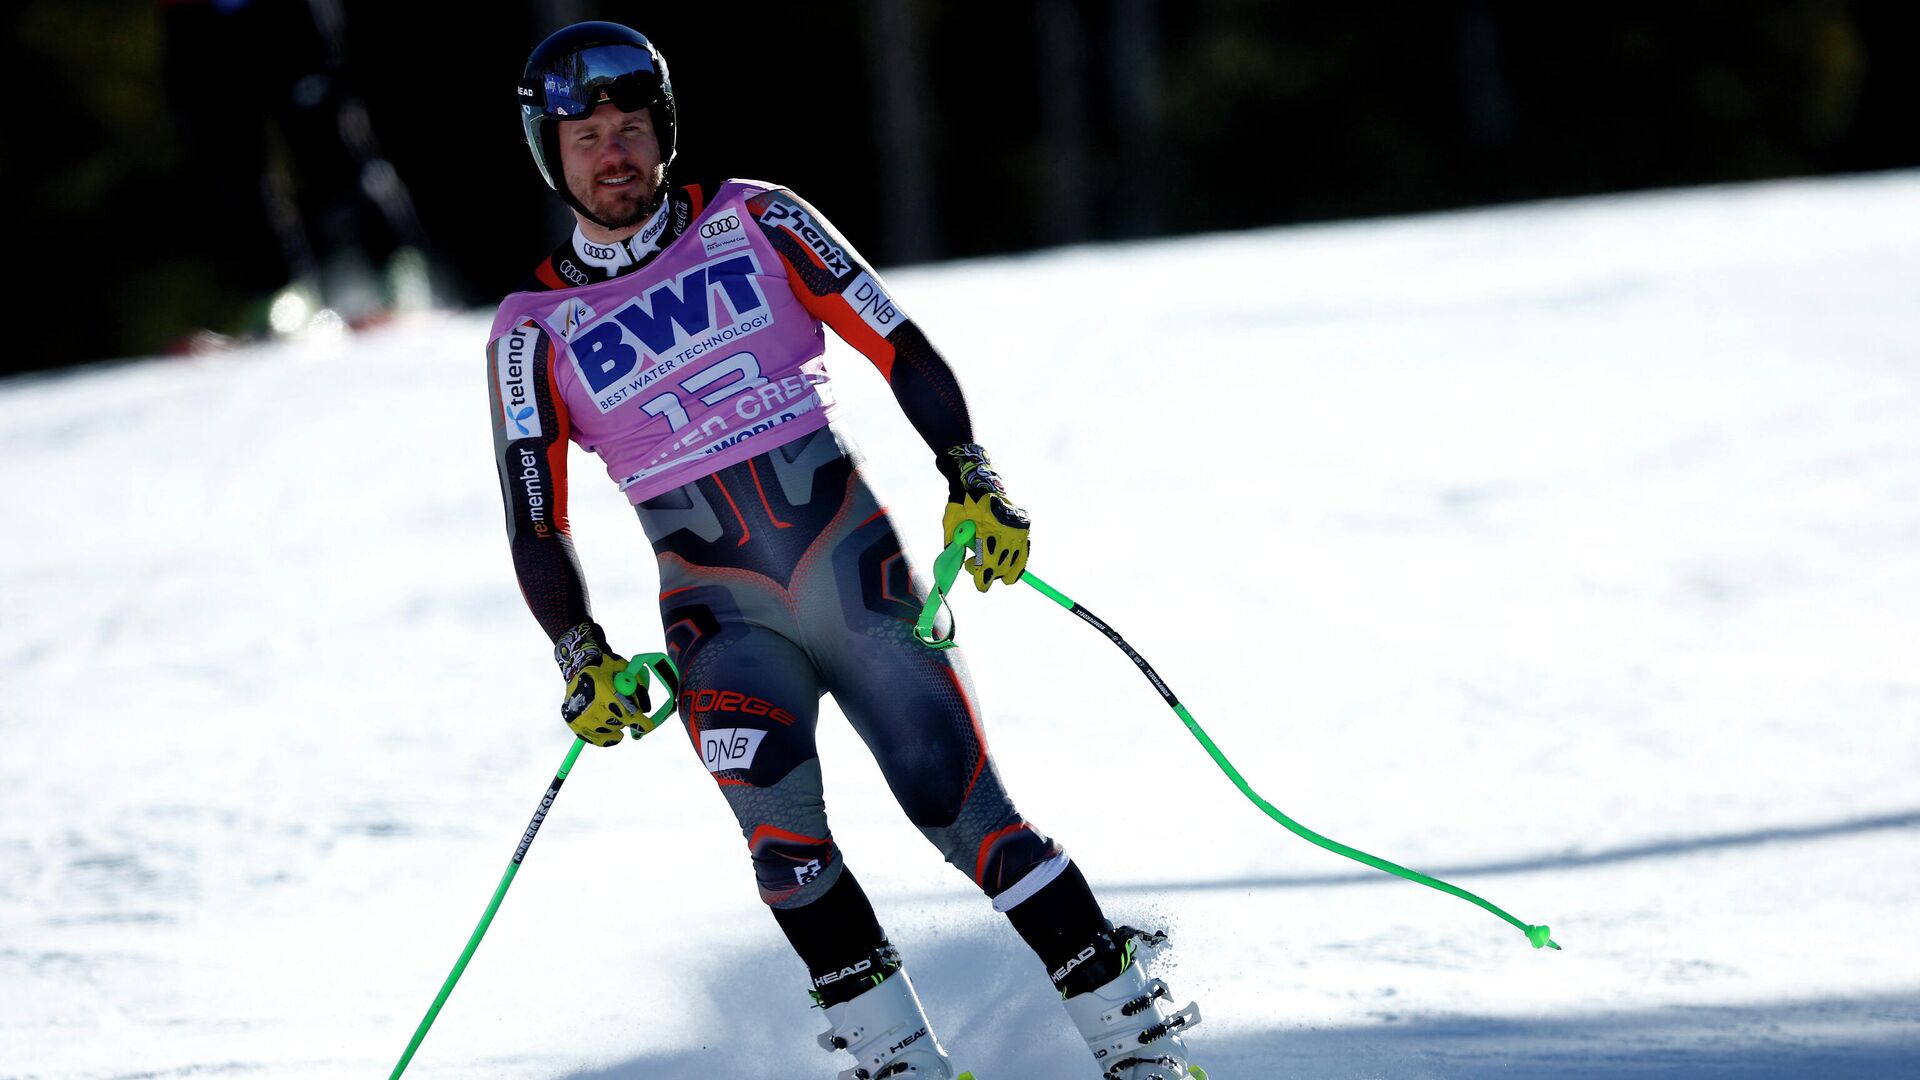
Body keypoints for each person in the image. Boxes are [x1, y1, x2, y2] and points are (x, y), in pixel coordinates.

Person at [486, 22, 1204, 1080]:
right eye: (586, 135)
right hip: (721, 624)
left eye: (632, 127)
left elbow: (897, 344)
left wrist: (974, 477)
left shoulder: (759, 219)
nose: (614, 153)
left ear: (664, 130)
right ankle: (901, 1062)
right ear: (553, 153)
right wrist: (577, 651)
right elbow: (533, 518)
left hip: (853, 573)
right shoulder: (529, 332)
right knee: (785, 849)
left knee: (964, 812)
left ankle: (1135, 1048)